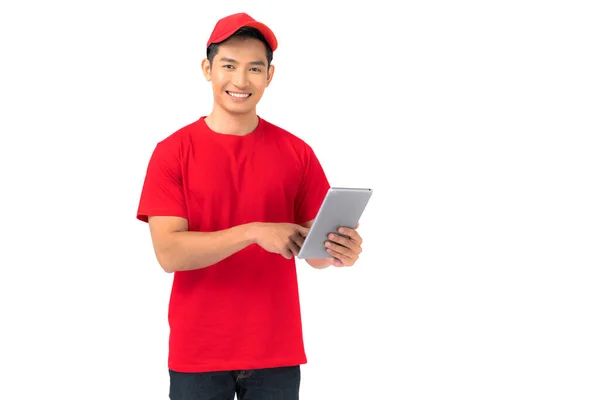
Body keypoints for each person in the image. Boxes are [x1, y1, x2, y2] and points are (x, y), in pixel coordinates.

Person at [136, 12, 365, 400]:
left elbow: (317, 255)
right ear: (208, 69)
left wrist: (342, 249)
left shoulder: (297, 153)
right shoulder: (172, 152)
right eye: (229, 66)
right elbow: (169, 253)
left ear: (269, 77)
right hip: (199, 353)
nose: (241, 81)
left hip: (276, 351)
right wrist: (254, 231)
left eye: (254, 69)